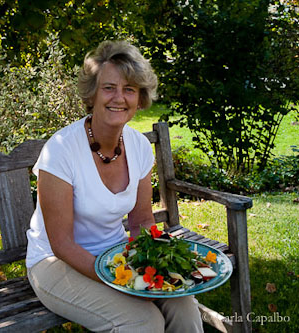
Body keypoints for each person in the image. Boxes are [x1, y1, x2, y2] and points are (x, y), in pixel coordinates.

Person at [26, 40, 204, 332]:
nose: (118, 98)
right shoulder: (60, 150)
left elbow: (143, 222)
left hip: (115, 254)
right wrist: (124, 281)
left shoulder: (138, 147)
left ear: (140, 98)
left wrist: (161, 264)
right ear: (93, 94)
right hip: (54, 264)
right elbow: (62, 244)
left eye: (129, 89)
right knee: (144, 322)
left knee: (183, 305)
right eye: (109, 87)